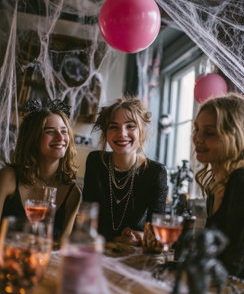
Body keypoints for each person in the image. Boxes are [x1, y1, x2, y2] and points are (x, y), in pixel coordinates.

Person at [82, 96, 168, 243]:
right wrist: (116, 239)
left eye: (130, 126)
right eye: (114, 127)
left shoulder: (156, 172)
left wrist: (139, 237)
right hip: (96, 249)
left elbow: (156, 233)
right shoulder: (95, 161)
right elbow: (87, 222)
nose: (122, 133)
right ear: (106, 132)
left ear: (142, 131)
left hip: (134, 254)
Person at [0, 98, 81, 248]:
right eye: (50, 131)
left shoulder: (73, 193)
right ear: (32, 137)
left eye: (64, 131)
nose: (60, 137)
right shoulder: (8, 177)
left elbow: (62, 248)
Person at [192, 92, 244, 282]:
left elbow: (236, 262)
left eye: (209, 132)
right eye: (197, 129)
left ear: (235, 136)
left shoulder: (243, 180)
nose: (197, 138)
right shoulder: (216, 185)